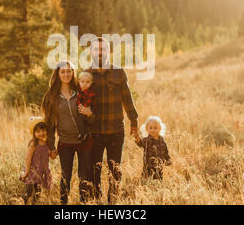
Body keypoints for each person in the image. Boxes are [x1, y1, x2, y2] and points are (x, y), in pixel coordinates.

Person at [86, 37, 139, 204]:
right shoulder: (86, 74)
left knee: (115, 170)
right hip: (94, 131)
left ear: (108, 51)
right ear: (91, 52)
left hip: (116, 130)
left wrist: (134, 122)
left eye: (103, 49)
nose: (99, 52)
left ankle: (113, 201)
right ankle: (96, 200)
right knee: (94, 169)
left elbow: (127, 99)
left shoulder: (118, 72)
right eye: (96, 49)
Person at [42, 61, 95, 204]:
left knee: (84, 175)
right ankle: (63, 203)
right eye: (63, 72)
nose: (66, 74)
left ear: (73, 72)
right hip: (65, 142)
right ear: (57, 74)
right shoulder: (51, 96)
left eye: (69, 71)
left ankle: (85, 203)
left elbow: (92, 118)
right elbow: (50, 125)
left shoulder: (81, 91)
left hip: (84, 140)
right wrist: (51, 146)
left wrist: (90, 114)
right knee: (66, 175)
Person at [20, 118, 56, 204]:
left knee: (37, 194)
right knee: (28, 192)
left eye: (43, 130)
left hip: (42, 172)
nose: (41, 133)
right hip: (32, 171)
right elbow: (28, 158)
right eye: (38, 131)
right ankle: (21, 202)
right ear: (33, 133)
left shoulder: (47, 142)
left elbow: (53, 156)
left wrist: (52, 146)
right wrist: (27, 171)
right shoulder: (33, 144)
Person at [135, 116, 172, 180]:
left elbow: (165, 150)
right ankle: (144, 185)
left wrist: (168, 159)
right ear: (147, 129)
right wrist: (137, 138)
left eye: (155, 128)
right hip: (148, 165)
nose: (153, 130)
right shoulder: (147, 140)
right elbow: (140, 144)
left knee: (159, 177)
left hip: (159, 165)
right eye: (150, 128)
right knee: (147, 177)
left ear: (160, 128)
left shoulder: (161, 140)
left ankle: (157, 187)